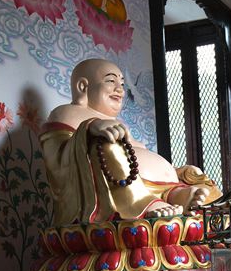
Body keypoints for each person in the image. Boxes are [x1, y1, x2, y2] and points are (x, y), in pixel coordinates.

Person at [39, 58, 220, 224]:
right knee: (103, 143)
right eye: (111, 81)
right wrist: (90, 128)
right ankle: (142, 203)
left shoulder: (118, 122)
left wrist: (176, 172)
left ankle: (180, 195)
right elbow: (59, 159)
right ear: (83, 87)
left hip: (157, 188)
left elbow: (140, 158)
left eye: (122, 83)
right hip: (122, 194)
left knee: (194, 176)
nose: (120, 89)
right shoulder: (67, 113)